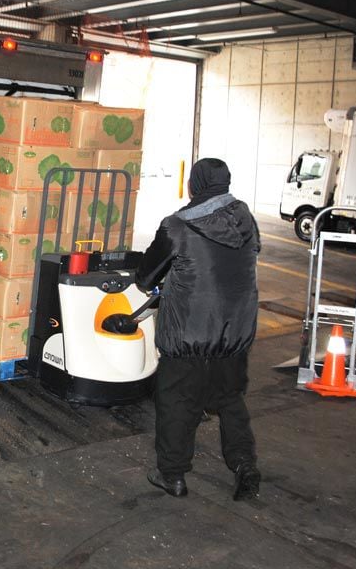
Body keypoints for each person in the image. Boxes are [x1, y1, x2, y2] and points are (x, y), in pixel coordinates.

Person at [135, 158, 262, 500]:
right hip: (235, 333)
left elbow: (146, 277)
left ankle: (172, 474)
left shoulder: (176, 227)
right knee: (230, 399)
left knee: (177, 401)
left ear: (193, 185)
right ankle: (244, 464)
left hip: (189, 335)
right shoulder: (246, 219)